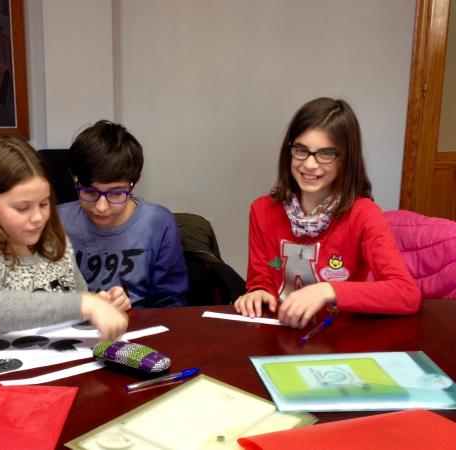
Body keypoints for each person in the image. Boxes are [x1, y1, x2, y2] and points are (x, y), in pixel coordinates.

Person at [234, 97, 421, 328]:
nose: (309, 165)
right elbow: (261, 278)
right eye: (301, 150)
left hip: (337, 336)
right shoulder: (262, 209)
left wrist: (327, 290)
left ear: (346, 158)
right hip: (279, 333)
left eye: (326, 153)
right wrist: (258, 292)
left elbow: (407, 293)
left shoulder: (363, 214)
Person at [0, 136, 128, 338]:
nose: (38, 218)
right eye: (22, 208)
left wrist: (102, 303)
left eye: (43, 204)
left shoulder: (54, 244)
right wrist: (85, 304)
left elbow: (76, 304)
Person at [58, 120, 188, 307]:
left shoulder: (158, 223)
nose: (101, 207)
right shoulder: (56, 222)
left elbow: (171, 302)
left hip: (139, 321)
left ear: (134, 182)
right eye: (89, 192)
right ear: (74, 179)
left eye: (115, 193)